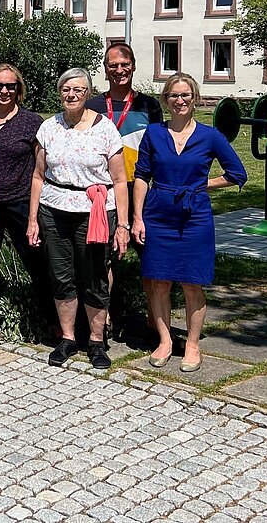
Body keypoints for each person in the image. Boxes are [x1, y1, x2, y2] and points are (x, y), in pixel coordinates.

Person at [132, 73, 247, 372]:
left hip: (195, 216)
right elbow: (142, 176)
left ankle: (193, 344)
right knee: (158, 282)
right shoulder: (154, 134)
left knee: (192, 283)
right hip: (157, 214)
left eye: (185, 95)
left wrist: (202, 185)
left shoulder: (211, 136)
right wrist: (136, 218)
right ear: (165, 100)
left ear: (194, 99)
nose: (179, 101)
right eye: (173, 95)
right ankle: (166, 340)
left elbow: (237, 174)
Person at [28, 68, 129, 371]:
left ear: (87, 94)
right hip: (54, 208)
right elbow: (38, 176)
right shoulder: (49, 128)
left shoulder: (105, 128)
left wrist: (122, 225)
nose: (71, 95)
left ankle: (96, 341)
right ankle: (69, 338)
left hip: (94, 211)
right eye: (66, 90)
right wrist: (33, 218)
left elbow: (120, 180)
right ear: (59, 93)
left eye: (78, 90)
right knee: (61, 275)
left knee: (95, 274)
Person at [87, 43, 164, 341]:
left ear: (133, 66)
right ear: (105, 69)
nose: (119, 70)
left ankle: (154, 321)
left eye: (125, 64)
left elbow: (159, 147)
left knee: (150, 258)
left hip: (141, 189)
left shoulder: (149, 105)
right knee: (104, 259)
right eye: (113, 65)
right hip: (103, 192)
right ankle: (103, 322)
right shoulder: (92, 105)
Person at [0, 64, 52, 337]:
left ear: (19, 89)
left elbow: (41, 169)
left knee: (37, 262)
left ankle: (51, 321)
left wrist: (33, 215)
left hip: (21, 202)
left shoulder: (32, 122)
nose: (4, 91)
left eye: (10, 86)